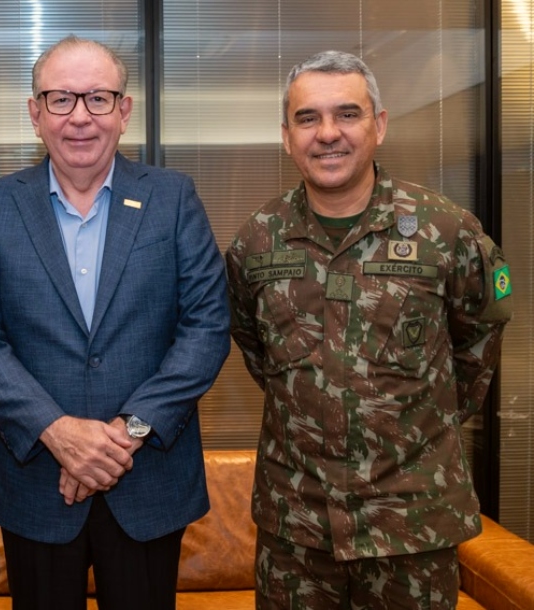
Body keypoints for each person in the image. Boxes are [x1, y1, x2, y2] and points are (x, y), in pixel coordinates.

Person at [0, 35, 230, 610]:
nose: (80, 117)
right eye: (60, 99)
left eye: (98, 98)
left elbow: (207, 326)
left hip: (149, 483)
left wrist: (125, 433)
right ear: (35, 114)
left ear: (124, 111)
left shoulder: (173, 199)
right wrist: (57, 431)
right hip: (38, 486)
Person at [226, 50, 512, 609]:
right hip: (296, 530)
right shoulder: (257, 241)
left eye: (347, 114)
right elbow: (258, 352)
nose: (327, 134)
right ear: (287, 136)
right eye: (307, 118)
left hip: (412, 526)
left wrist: (413, 422)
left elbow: (477, 347)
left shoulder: (447, 232)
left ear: (378, 125)